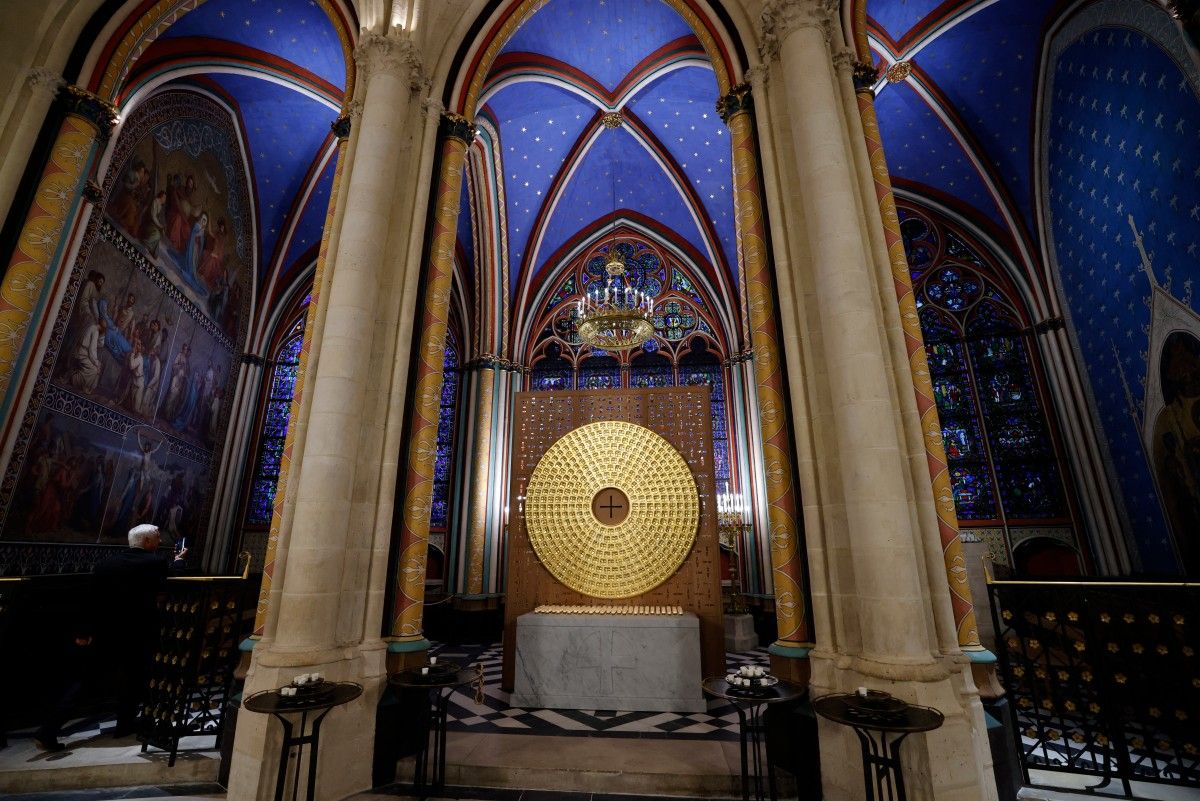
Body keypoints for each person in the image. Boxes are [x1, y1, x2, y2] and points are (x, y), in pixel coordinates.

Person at [34, 524, 187, 751]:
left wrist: (83, 632)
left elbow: (90, 600)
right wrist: (179, 561)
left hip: (105, 632)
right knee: (134, 679)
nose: (160, 541)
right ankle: (125, 724)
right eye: (157, 538)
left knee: (84, 682)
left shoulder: (106, 564)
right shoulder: (154, 562)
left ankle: (48, 730)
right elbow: (176, 580)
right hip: (137, 633)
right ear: (146, 542)